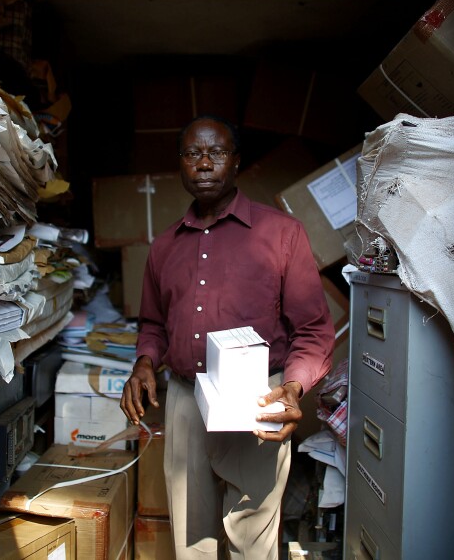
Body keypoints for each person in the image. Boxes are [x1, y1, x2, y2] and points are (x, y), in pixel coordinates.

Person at [120, 114, 335, 559]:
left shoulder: (281, 235)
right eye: (192, 153)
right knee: (191, 537)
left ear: (236, 162)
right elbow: (153, 325)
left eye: (216, 153)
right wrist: (144, 361)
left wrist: (292, 388)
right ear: (179, 164)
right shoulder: (164, 247)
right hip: (183, 397)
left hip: (257, 398)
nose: (203, 164)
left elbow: (313, 329)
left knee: (251, 539)